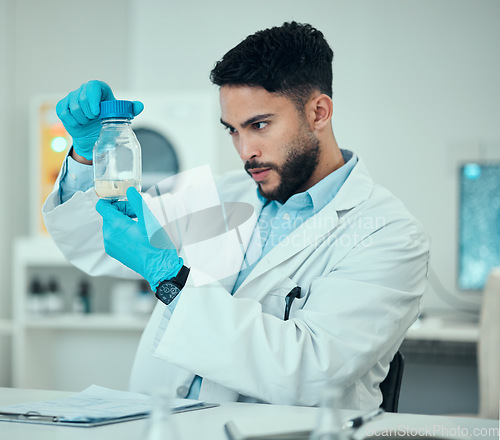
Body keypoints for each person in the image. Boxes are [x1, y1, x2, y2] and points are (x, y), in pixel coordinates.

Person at [43, 22, 429, 409]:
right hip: (160, 424)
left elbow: (312, 372)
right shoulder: (222, 192)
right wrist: (85, 156)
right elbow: (95, 244)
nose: (245, 151)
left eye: (259, 125)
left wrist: (172, 281)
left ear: (318, 113)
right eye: (232, 130)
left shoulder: (387, 234)